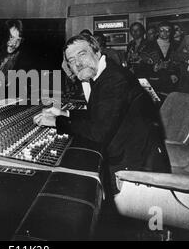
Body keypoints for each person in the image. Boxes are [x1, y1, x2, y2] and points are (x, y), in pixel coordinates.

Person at [33, 35, 170, 194]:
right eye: (71, 60)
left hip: (136, 167)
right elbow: (99, 114)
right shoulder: (105, 74)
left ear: (97, 53)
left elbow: (99, 132)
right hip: (132, 152)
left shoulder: (114, 79)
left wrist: (57, 122)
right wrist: (65, 113)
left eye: (82, 54)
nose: (77, 63)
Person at [147, 21, 179, 93]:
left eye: (167, 30)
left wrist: (174, 73)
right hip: (154, 81)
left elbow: (177, 63)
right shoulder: (149, 46)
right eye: (162, 30)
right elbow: (143, 64)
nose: (165, 33)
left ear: (171, 32)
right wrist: (154, 67)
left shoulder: (175, 46)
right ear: (158, 32)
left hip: (170, 82)